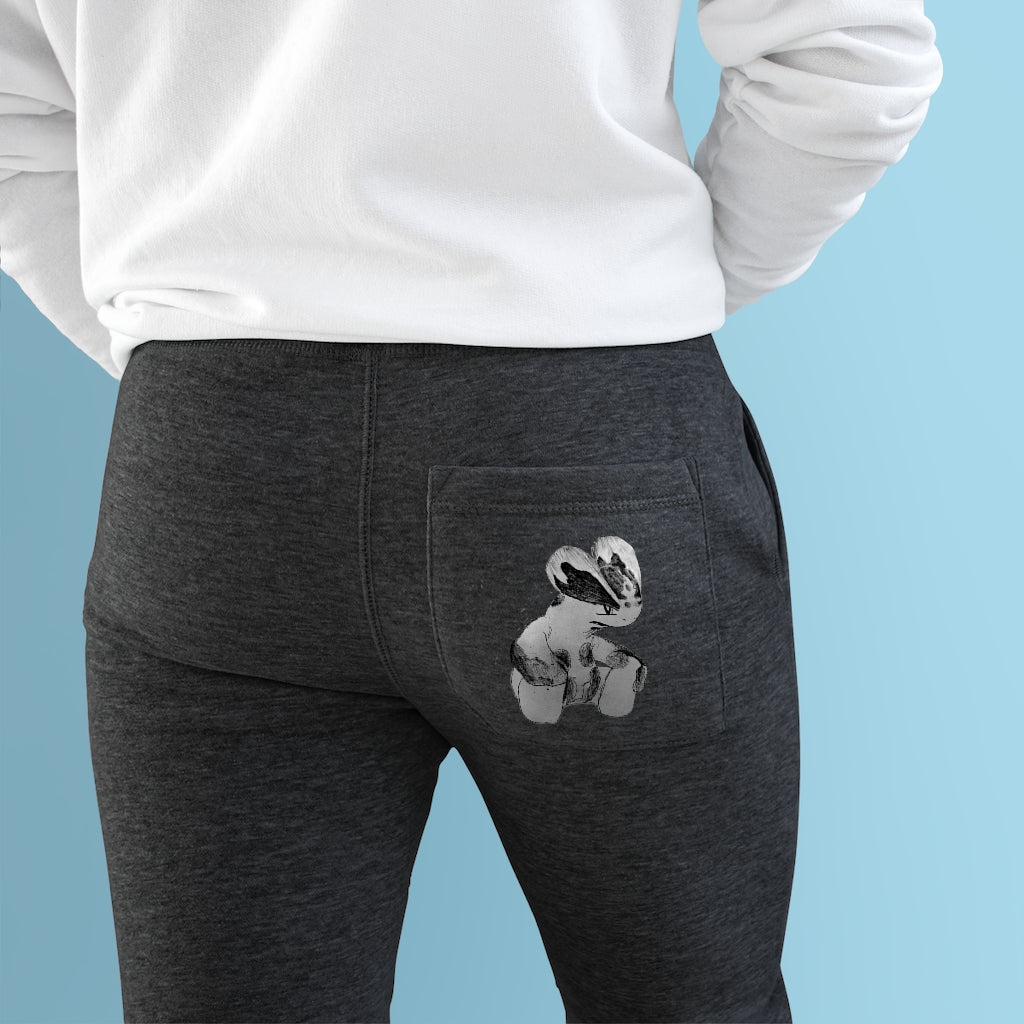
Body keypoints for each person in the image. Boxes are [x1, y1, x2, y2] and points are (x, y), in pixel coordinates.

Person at [0, 1, 943, 1020]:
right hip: (586, 436)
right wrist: (644, 298)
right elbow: (851, 58)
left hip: (212, 468)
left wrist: (177, 356)